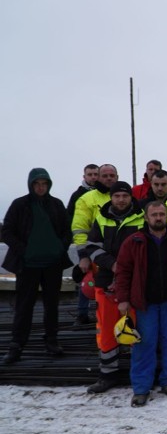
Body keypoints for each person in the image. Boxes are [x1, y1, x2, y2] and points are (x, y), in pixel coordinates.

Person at [114, 201, 167, 407]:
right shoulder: (134, 241)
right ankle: (141, 388)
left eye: (162, 214)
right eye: (154, 215)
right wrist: (123, 298)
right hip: (145, 303)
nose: (158, 218)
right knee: (145, 344)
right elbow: (123, 272)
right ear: (146, 217)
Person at [1, 168, 73, 364]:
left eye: (44, 184)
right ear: (31, 185)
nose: (41, 187)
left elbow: (68, 231)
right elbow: (6, 231)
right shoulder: (20, 205)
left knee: (52, 305)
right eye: (37, 184)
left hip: (52, 264)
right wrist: (24, 250)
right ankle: (16, 345)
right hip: (27, 264)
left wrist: (60, 248)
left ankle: (51, 340)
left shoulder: (57, 205)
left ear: (49, 185)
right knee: (24, 305)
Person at [82, 181, 146, 393]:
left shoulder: (142, 217)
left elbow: (147, 248)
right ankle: (107, 375)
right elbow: (92, 247)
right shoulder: (101, 218)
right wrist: (113, 264)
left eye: (124, 196)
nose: (121, 200)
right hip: (106, 282)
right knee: (107, 330)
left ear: (130, 197)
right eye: (117, 196)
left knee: (136, 329)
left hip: (135, 283)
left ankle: (139, 374)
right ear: (111, 197)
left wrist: (126, 267)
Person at [67, 163, 99, 325]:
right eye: (90, 174)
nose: (93, 177)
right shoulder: (77, 195)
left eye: (95, 174)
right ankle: (82, 313)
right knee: (85, 278)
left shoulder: (106, 193)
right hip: (85, 243)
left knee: (101, 280)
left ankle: (101, 313)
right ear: (84, 176)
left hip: (102, 245)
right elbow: (72, 219)